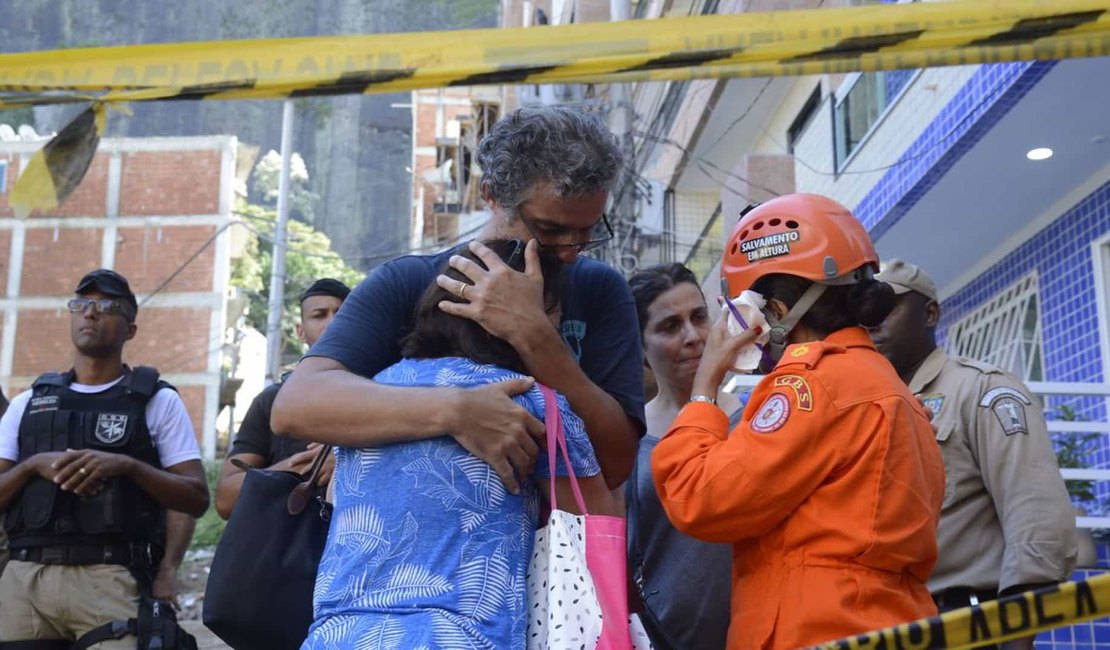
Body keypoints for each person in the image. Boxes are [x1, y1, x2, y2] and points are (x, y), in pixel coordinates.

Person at [272, 104, 645, 493]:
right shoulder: (407, 282)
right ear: (492, 195)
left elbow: (616, 463)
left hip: (555, 547)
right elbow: (297, 404)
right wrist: (456, 410)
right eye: (550, 230)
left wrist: (536, 338)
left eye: (587, 231)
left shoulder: (601, 289)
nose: (570, 251)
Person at [652, 194, 945, 649]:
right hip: (888, 619)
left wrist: (705, 387)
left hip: (815, 627)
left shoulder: (810, 386)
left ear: (775, 312)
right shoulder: (885, 383)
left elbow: (700, 498)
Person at [302, 240, 614, 649]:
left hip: (337, 636)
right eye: (550, 313)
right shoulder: (532, 403)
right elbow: (597, 530)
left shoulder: (372, 397)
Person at [870, 259, 1077, 646]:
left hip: (966, 622)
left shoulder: (981, 390)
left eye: (886, 308)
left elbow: (1035, 513)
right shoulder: (870, 404)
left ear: (930, 313)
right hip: (889, 625)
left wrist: (1016, 634)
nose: (872, 323)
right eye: (863, 313)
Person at [0, 269, 209, 648]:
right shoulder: (27, 403)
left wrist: (127, 466)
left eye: (107, 306)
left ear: (130, 329)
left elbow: (195, 497)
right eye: (81, 305)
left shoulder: (157, 401)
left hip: (111, 574)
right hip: (26, 577)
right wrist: (33, 466)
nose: (91, 313)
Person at [625, 263, 734, 650]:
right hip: (663, 639)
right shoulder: (628, 438)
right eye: (669, 326)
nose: (693, 337)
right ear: (639, 345)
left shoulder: (758, 415)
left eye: (699, 317)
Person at [214, 277, 350, 519]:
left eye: (341, 313)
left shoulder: (383, 390)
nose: (332, 323)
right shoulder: (273, 401)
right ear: (300, 331)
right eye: (319, 315)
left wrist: (345, 464)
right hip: (289, 550)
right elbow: (226, 499)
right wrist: (298, 467)